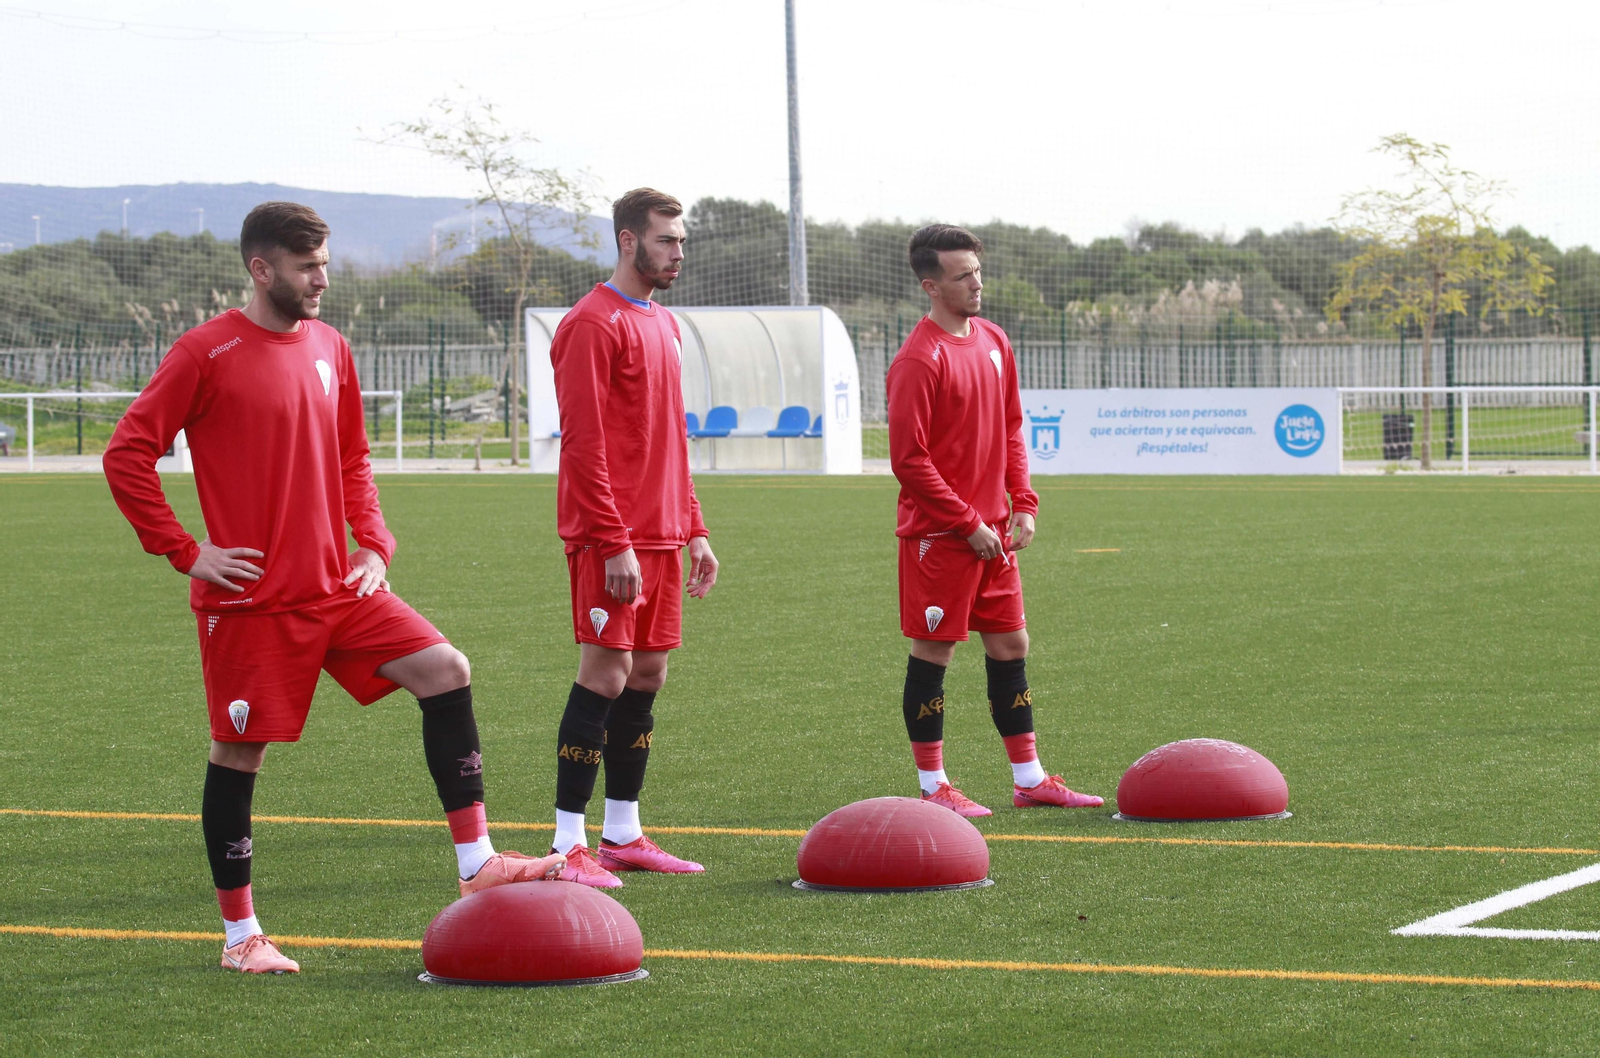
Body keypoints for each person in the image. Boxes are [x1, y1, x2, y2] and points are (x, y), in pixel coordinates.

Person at [103, 202, 563, 975]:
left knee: (446, 669)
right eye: (307, 266)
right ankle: (240, 937)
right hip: (252, 603)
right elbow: (128, 454)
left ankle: (477, 860)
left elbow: (353, 457)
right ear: (262, 268)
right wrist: (185, 551)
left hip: (340, 589)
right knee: (237, 754)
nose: (322, 279)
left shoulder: (331, 347)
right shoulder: (204, 353)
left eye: (325, 263)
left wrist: (374, 544)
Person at [886, 223, 1103, 818]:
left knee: (1011, 644)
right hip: (941, 537)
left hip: (993, 533)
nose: (977, 283)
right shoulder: (917, 359)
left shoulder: (993, 340)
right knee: (935, 653)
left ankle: (1028, 778)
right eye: (963, 275)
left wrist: (1023, 502)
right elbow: (908, 460)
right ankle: (934, 788)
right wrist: (964, 522)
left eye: (978, 271)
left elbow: (1011, 426)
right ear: (931, 285)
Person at [545, 187, 719, 888]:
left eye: (680, 241)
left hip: (664, 534)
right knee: (605, 674)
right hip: (609, 536)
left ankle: (623, 832)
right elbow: (583, 443)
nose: (678, 252)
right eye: (666, 240)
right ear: (627, 241)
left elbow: (669, 438)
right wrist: (613, 540)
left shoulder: (664, 323)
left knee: (646, 675)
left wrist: (695, 528)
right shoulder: (592, 323)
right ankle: (567, 844)